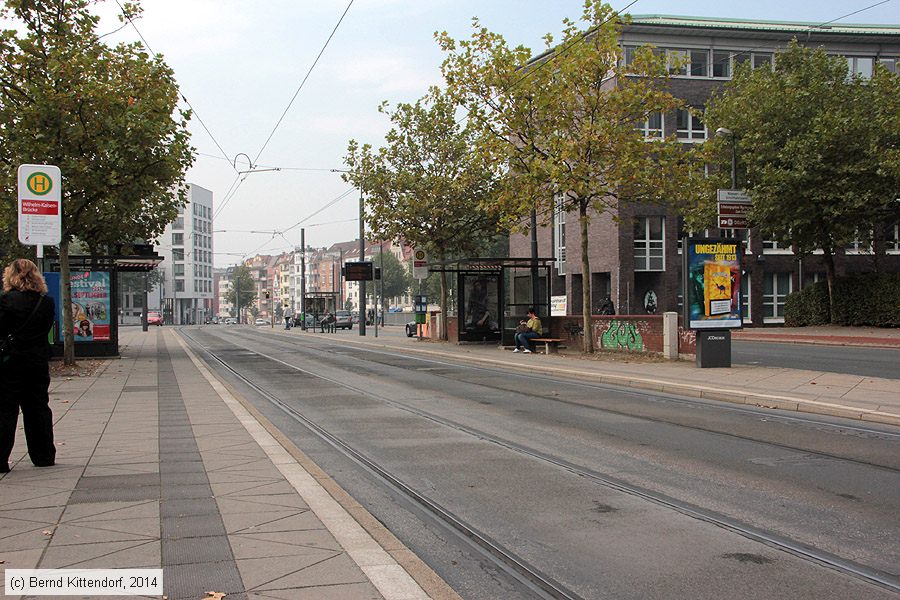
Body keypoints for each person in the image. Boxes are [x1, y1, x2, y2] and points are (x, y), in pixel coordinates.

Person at [0, 259, 57, 473]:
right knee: (38, 408)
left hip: (10, 362)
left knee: (6, 409)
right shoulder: (46, 302)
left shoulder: (5, 300)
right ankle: (43, 456)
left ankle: (1, 458)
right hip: (37, 361)